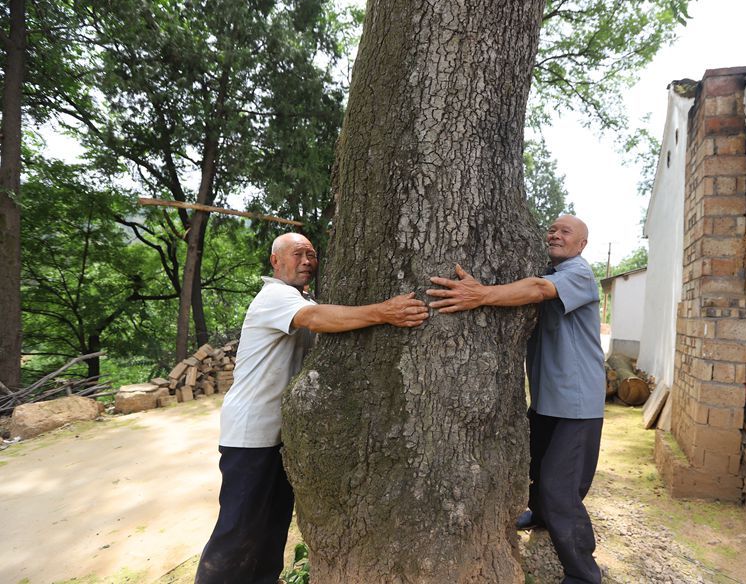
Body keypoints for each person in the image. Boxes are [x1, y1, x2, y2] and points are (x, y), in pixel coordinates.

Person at [196, 232, 428, 584]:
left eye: (312, 254)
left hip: (277, 435)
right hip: (250, 434)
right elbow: (316, 319)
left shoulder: (298, 298)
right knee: (238, 531)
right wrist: (385, 312)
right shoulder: (275, 296)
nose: (307, 260)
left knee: (272, 530)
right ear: (275, 261)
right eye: (297, 254)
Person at [427, 214, 606, 584]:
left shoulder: (579, 272)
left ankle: (584, 574)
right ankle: (540, 517)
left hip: (576, 403)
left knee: (561, 488)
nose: (555, 234)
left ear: (582, 243)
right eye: (552, 229)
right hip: (547, 399)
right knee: (537, 471)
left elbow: (539, 290)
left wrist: (480, 295)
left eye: (566, 231)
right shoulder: (546, 269)